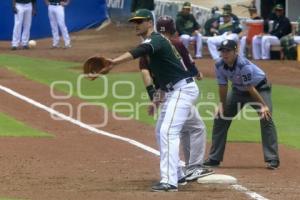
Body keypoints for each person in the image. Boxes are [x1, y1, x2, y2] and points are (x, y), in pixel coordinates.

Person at [92, 9, 204, 192]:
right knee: (161, 131)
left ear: (149, 23)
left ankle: (169, 182)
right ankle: (177, 174)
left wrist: (113, 62)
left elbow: (139, 50)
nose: (135, 25)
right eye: (134, 22)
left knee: (169, 131)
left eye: (139, 21)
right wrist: (156, 100)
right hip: (173, 91)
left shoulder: (156, 39)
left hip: (183, 90)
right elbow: (161, 80)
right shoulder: (154, 48)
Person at [139, 16, 213, 184]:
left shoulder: (149, 46)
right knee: (194, 128)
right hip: (178, 92)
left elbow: (146, 74)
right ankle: (190, 168)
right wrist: (196, 73)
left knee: (183, 129)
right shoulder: (176, 43)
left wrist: (154, 98)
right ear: (173, 29)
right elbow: (188, 64)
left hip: (166, 92)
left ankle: (182, 171)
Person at [203, 39, 280, 170]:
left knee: (266, 116)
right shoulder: (219, 65)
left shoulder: (243, 65)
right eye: (223, 51)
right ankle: (214, 158)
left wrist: (263, 106)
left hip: (259, 89)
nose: (225, 54)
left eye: (228, 51)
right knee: (220, 116)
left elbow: (250, 88)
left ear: (235, 51)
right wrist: (222, 104)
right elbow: (223, 86)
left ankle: (272, 158)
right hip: (238, 91)